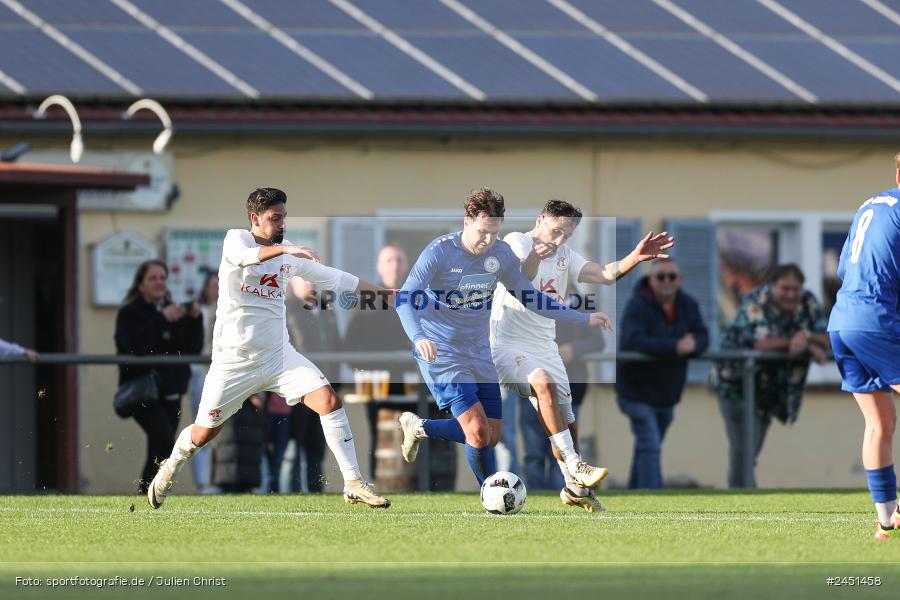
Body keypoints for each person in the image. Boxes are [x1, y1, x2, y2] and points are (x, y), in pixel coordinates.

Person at [146, 187, 393, 509]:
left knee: (329, 400)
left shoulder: (287, 253)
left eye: (284, 218)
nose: (282, 225)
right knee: (203, 434)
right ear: (254, 218)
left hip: (278, 356)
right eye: (274, 219)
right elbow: (245, 258)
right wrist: (285, 251)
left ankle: (353, 482)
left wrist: (383, 293)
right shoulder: (236, 240)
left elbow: (334, 278)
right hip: (233, 362)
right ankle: (170, 467)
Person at [396, 188, 612, 486]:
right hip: (442, 351)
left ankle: (419, 427)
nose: (489, 241)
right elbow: (404, 298)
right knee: (477, 431)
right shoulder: (439, 251)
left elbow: (532, 298)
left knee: (491, 435)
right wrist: (419, 336)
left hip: (480, 351)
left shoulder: (499, 254)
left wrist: (583, 318)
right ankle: (492, 494)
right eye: (484, 232)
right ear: (467, 222)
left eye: (495, 233)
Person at [488, 199, 674, 511]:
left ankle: (574, 489)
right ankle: (577, 465)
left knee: (567, 422)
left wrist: (635, 258)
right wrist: (535, 256)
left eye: (567, 236)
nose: (559, 240)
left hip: (544, 346)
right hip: (508, 346)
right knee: (543, 384)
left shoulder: (565, 255)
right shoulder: (516, 242)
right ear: (541, 219)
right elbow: (520, 277)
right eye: (556, 231)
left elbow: (603, 274)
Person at [827, 152, 900, 540]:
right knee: (879, 422)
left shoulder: (869, 205)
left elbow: (843, 268)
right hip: (876, 321)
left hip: (841, 320)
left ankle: (886, 519)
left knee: (880, 422)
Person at [714, 264, 828, 489]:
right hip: (736, 385)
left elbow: (828, 338)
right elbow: (761, 343)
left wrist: (805, 335)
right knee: (744, 448)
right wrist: (801, 344)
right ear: (771, 286)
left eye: (795, 289)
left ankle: (742, 493)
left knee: (751, 448)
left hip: (771, 390)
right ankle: (741, 497)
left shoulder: (808, 302)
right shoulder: (756, 301)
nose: (791, 295)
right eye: (784, 289)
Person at [616, 259, 708, 489]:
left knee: (647, 447)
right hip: (635, 391)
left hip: (667, 394)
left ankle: (635, 493)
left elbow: (703, 335)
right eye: (660, 277)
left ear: (680, 280)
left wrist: (693, 344)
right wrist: (674, 346)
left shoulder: (689, 305)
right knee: (651, 445)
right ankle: (652, 497)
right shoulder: (636, 305)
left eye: (672, 276)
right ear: (651, 280)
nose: (666, 281)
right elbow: (632, 340)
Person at [114, 259, 203, 493]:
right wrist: (162, 319)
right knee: (163, 438)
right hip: (143, 390)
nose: (159, 282)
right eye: (152, 278)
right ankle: (148, 492)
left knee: (162, 447)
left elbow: (191, 349)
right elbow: (133, 348)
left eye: (162, 277)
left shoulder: (174, 309)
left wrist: (195, 320)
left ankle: (149, 494)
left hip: (171, 389)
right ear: (140, 284)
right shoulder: (129, 312)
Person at [518, 290, 604, 492]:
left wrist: (574, 349)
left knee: (565, 448)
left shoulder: (583, 303)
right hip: (534, 385)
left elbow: (598, 341)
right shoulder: (531, 300)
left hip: (571, 387)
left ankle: (568, 491)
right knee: (533, 452)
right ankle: (537, 496)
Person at [342, 245, 411, 479]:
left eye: (399, 260)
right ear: (380, 267)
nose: (395, 265)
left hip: (409, 380)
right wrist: (366, 371)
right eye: (389, 260)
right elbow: (349, 348)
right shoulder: (365, 301)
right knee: (377, 433)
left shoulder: (415, 298)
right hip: (374, 380)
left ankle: (413, 483)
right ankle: (375, 482)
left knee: (411, 432)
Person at [282, 277, 337, 493]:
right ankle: (289, 497)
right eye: (304, 279)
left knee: (317, 448)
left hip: (323, 388)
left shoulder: (325, 309)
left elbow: (337, 346)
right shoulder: (285, 309)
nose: (310, 283)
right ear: (292, 283)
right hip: (297, 388)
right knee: (293, 449)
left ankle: (316, 494)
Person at [189, 270, 218, 493]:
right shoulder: (198, 311)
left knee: (218, 427)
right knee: (201, 427)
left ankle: (215, 479)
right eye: (212, 285)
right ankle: (203, 482)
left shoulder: (230, 310)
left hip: (221, 374)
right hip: (201, 372)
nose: (216, 289)